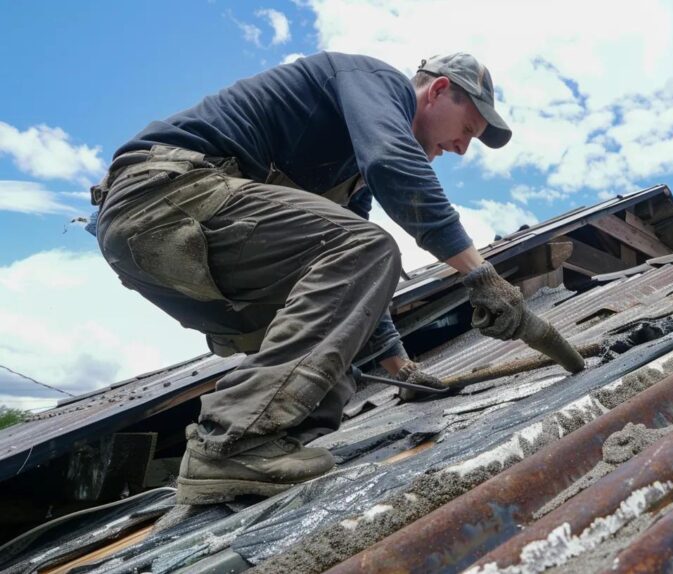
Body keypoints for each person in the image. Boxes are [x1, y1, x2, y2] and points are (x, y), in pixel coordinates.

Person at [91, 52, 541, 504]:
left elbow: (352, 291)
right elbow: (390, 167)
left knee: (341, 335)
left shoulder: (348, 182)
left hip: (167, 241)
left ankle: (257, 452)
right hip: (162, 196)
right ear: (439, 90)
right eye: (466, 131)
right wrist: (480, 275)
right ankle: (229, 443)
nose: (462, 149)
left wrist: (403, 371)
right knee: (370, 246)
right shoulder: (375, 79)